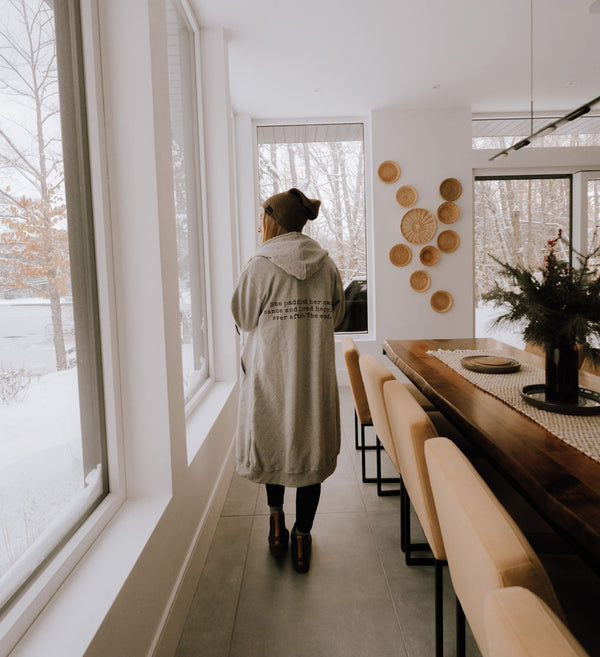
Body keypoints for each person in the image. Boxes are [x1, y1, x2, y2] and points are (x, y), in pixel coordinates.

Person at [231, 188, 345, 573]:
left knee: (273, 446)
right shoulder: (326, 265)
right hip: (312, 377)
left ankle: (276, 523)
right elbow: (336, 317)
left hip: (271, 376)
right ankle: (302, 536)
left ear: (271, 220)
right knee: (310, 452)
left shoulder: (259, 266)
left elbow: (244, 319)